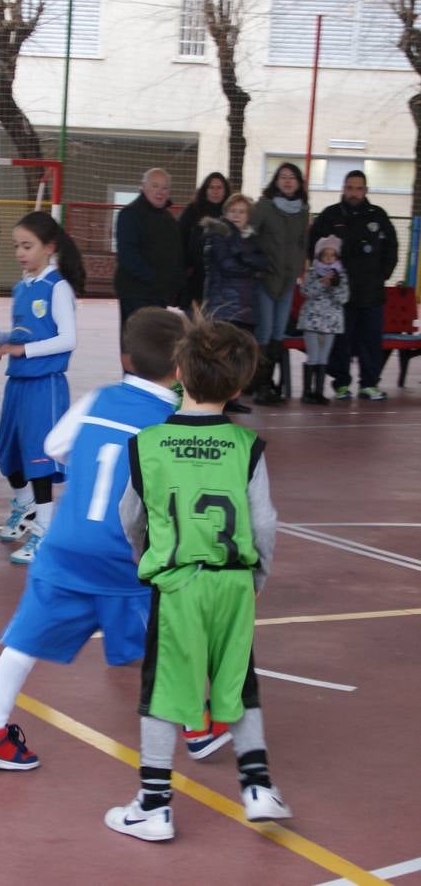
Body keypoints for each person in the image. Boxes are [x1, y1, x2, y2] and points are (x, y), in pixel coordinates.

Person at [0, 308, 222, 771]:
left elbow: (53, 447)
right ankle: (198, 725)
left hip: (65, 546)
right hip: (127, 554)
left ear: (125, 357)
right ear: (183, 368)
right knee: (174, 629)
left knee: (22, 642)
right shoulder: (177, 422)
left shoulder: (99, 399)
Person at [105, 314, 290, 843]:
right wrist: (256, 576)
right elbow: (263, 523)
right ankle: (257, 787)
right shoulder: (245, 447)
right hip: (234, 583)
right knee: (240, 682)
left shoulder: (148, 444)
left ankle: (154, 804)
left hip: (180, 584)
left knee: (163, 693)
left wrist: (152, 558)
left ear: (179, 371)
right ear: (238, 386)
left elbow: (131, 518)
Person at [0, 211, 84, 565]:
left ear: (49, 248)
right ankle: (25, 507)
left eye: (27, 245)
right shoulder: (23, 287)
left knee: (39, 459)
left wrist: (23, 350)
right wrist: (0, 337)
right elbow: (26, 334)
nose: (20, 252)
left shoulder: (57, 288)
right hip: (18, 383)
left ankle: (45, 531)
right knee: (11, 454)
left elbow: (67, 339)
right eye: (17, 245)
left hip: (45, 386)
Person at [308, 170, 398, 401]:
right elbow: (313, 248)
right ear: (343, 189)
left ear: (366, 190)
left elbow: (392, 249)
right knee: (342, 342)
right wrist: (326, 277)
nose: (354, 193)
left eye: (359, 188)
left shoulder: (378, 216)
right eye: (350, 188)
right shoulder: (330, 215)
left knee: (371, 341)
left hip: (372, 293)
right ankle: (341, 385)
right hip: (338, 295)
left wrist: (382, 276)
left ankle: (369, 385)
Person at [201, 193, 268, 413]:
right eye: (233, 211)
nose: (236, 215)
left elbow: (263, 261)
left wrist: (244, 259)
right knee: (223, 353)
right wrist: (251, 268)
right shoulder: (219, 234)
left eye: (241, 212)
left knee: (239, 354)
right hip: (223, 304)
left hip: (246, 305)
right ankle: (219, 397)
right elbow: (227, 265)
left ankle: (232, 397)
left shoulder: (250, 238)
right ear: (225, 213)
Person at [251, 163, 309, 405]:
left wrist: (298, 269)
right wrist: (256, 265)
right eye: (283, 177)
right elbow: (249, 235)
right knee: (263, 332)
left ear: (298, 182)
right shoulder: (264, 206)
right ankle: (259, 384)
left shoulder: (304, 210)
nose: (287, 181)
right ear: (275, 180)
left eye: (292, 177)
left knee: (278, 333)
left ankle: (269, 382)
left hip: (287, 281)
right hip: (265, 278)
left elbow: (302, 243)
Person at [113, 168, 185, 331]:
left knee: (154, 344)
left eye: (165, 187)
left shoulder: (168, 219)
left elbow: (176, 255)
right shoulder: (130, 214)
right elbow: (127, 256)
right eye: (155, 186)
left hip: (159, 294)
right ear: (143, 187)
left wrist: (175, 283)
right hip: (135, 292)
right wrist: (156, 279)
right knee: (136, 344)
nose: (160, 192)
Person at [297, 235, 349, 405]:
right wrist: (321, 283)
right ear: (318, 256)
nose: (328, 258)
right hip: (312, 320)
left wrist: (334, 286)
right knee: (313, 356)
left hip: (331, 322)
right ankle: (307, 392)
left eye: (332, 255)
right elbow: (305, 291)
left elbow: (343, 298)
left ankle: (318, 392)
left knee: (323, 358)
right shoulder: (312, 273)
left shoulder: (341, 275)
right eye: (325, 255)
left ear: (337, 257)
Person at [178, 171, 231, 312]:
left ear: (225, 191)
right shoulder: (192, 211)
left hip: (221, 280)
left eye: (219, 187)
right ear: (205, 190)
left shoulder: (231, 213)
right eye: (211, 187)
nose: (215, 191)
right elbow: (180, 240)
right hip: (195, 278)